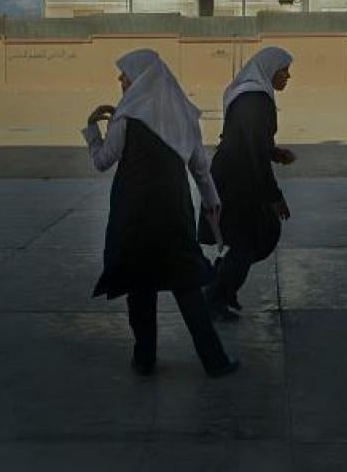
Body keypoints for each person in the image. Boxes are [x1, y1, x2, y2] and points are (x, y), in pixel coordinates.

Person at [82, 48, 239, 378]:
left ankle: (144, 359)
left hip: (133, 212)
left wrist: (92, 130)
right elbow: (200, 168)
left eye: (125, 73)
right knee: (186, 284)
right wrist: (213, 205)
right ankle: (215, 361)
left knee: (139, 284)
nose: (120, 79)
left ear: (140, 77)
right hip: (172, 210)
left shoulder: (126, 117)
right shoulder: (183, 112)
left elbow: (101, 162)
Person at [199, 46, 294, 321]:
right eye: (284, 70)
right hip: (238, 180)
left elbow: (250, 140)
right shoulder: (255, 100)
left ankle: (221, 285)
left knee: (251, 239)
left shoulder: (254, 95)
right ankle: (216, 294)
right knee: (247, 242)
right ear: (270, 69)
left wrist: (274, 153)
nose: (288, 76)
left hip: (238, 176)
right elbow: (253, 151)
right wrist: (274, 196)